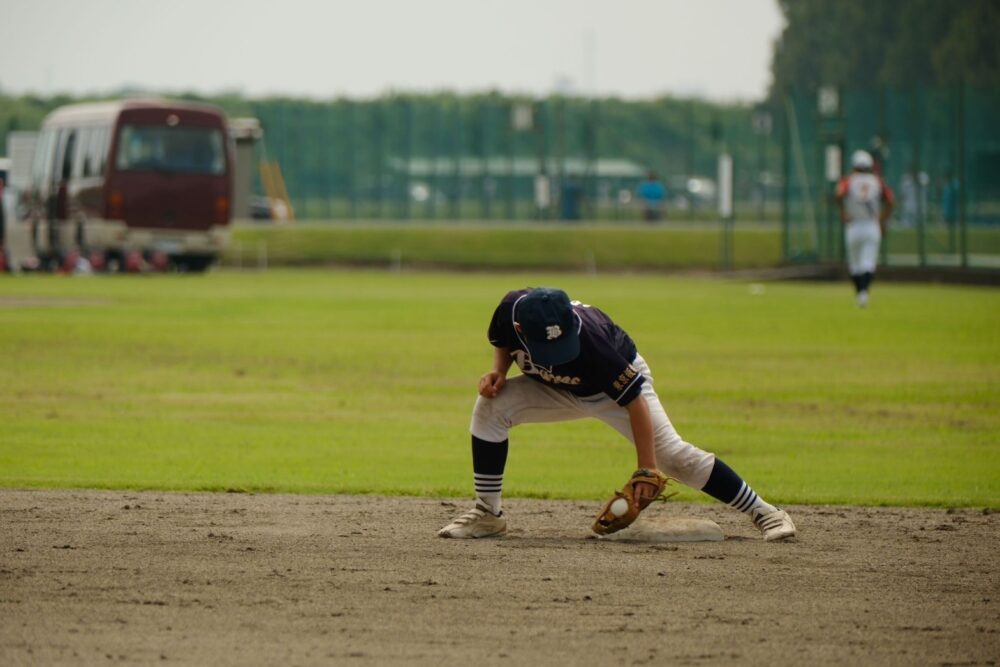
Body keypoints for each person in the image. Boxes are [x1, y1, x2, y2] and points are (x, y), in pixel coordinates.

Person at [438, 287, 797, 542]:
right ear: (522, 329)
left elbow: (634, 400)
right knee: (489, 409)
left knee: (673, 456)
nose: (560, 351)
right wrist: (499, 372)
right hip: (554, 388)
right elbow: (502, 341)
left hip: (611, 390)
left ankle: (766, 513)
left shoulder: (593, 342)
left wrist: (646, 469)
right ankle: (488, 515)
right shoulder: (510, 312)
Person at [835, 150, 895, 308]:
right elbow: (890, 200)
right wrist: (882, 219)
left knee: (855, 264)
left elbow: (839, 193)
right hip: (871, 224)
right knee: (868, 263)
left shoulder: (849, 180)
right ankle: (863, 293)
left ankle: (860, 294)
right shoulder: (877, 181)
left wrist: (843, 212)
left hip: (854, 224)